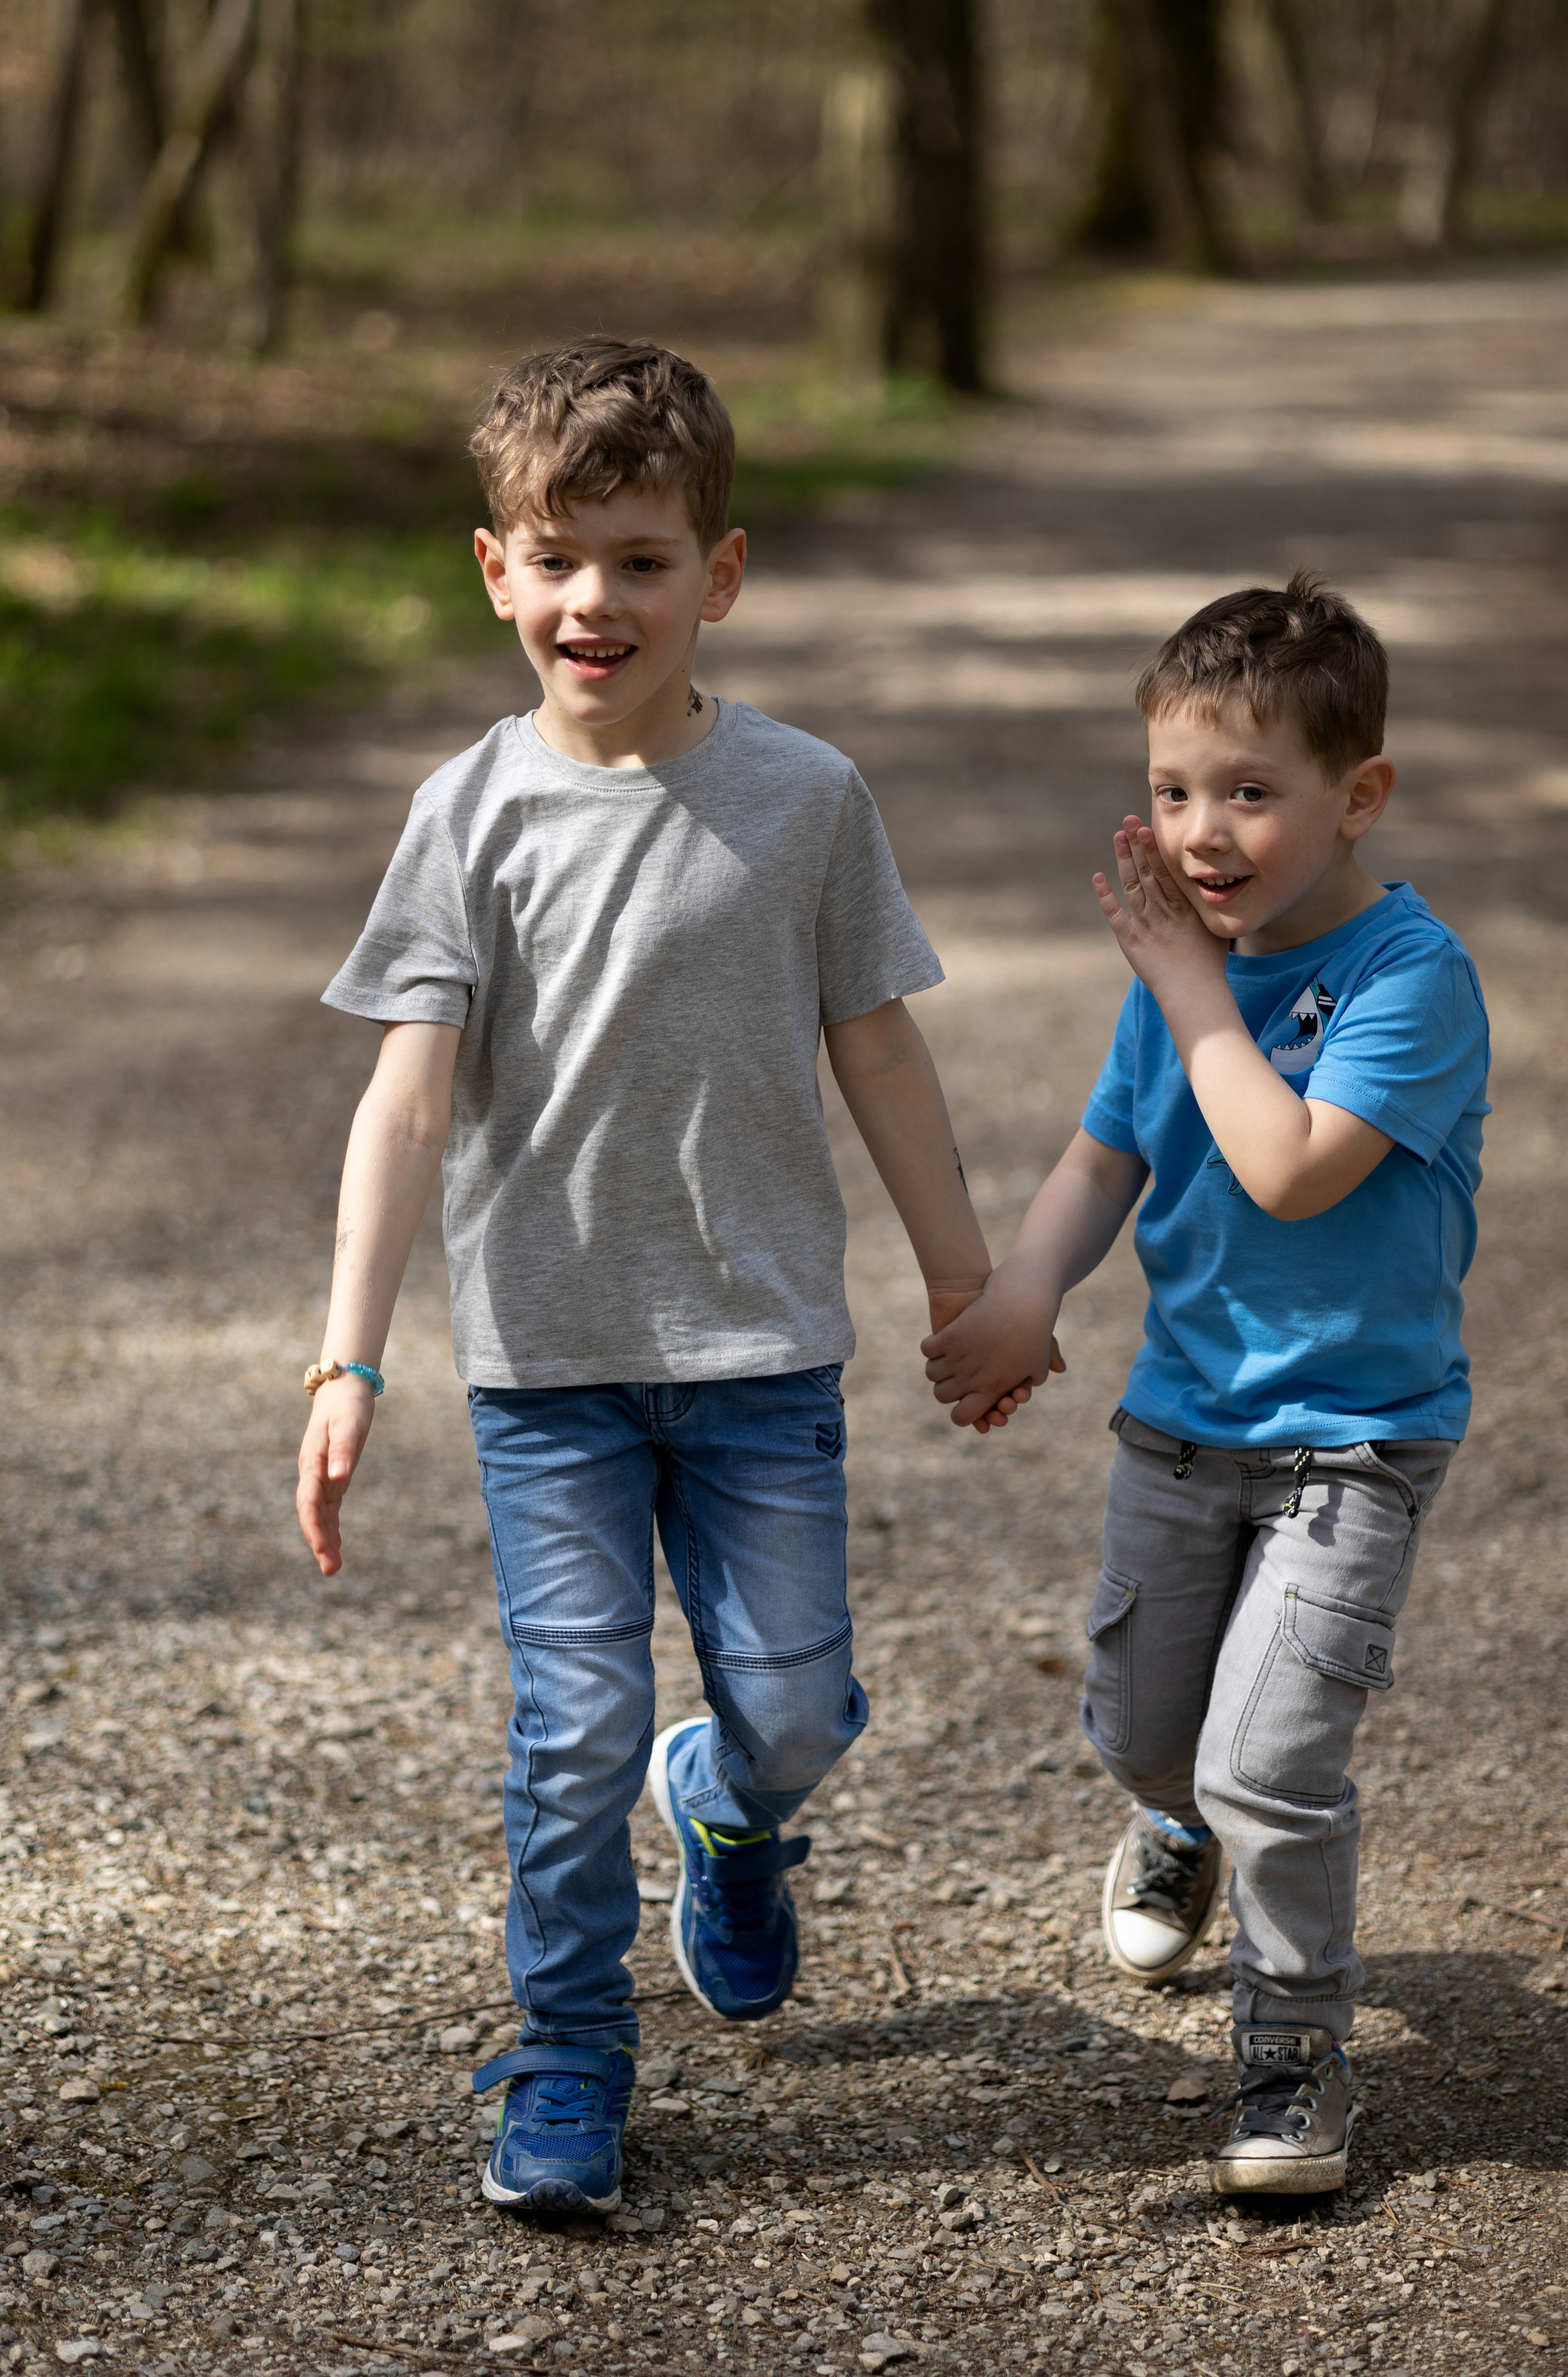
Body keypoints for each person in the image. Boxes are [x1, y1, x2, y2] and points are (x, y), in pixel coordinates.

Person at [294, 337, 1012, 2217]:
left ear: (724, 573)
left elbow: (881, 1048)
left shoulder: (804, 798)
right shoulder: (468, 814)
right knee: (568, 1720)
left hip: (761, 1345)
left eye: (639, 560)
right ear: (493, 570)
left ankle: (736, 1806)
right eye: (557, 558)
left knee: (792, 1704)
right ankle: (564, 2060)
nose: (593, 601)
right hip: (549, 1365)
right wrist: (345, 1363)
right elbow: (401, 1102)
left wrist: (966, 1282)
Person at [922, 571, 1490, 2194]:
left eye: (1250, 792)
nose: (1200, 833)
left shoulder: (1407, 981)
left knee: (1271, 1763)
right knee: (1145, 1730)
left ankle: (1291, 2046)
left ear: (1357, 794)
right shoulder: (1175, 968)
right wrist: (1023, 1294)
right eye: (1172, 791)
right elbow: (1112, 1156)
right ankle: (1171, 1820)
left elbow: (1288, 1164)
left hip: (1354, 1440)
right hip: (1177, 1428)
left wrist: (1189, 989)